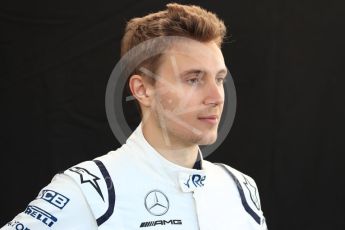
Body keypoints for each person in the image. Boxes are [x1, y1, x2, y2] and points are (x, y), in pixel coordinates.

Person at [2, 3, 267, 230]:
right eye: (194, 79)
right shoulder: (91, 190)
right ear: (142, 90)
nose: (216, 97)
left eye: (219, 79)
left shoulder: (240, 188)